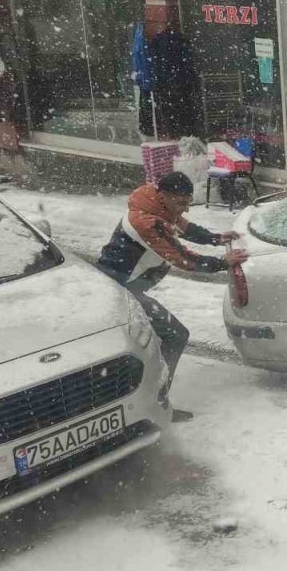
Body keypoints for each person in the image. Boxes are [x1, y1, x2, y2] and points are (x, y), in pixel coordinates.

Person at [97, 172, 248, 422]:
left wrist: (215, 238)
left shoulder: (157, 206)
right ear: (163, 195)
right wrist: (222, 262)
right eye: (180, 203)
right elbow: (183, 258)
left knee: (148, 340)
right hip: (119, 289)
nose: (185, 208)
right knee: (175, 335)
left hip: (127, 286)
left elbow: (182, 226)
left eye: (188, 202)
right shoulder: (145, 221)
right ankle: (155, 402)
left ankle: (144, 397)